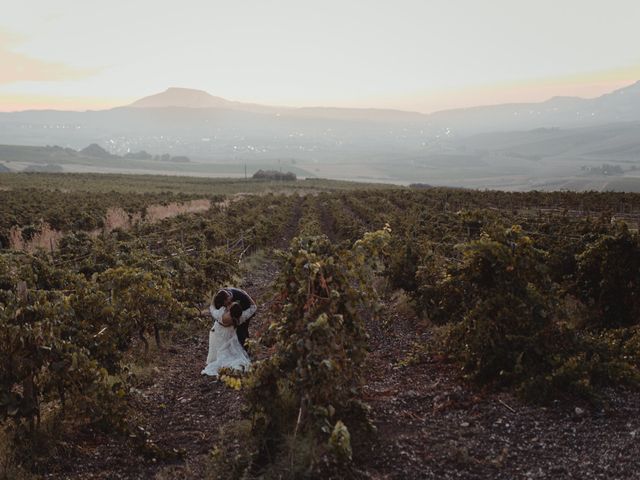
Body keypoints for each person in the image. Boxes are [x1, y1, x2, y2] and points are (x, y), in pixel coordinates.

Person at [201, 302, 251, 377]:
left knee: (218, 349)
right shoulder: (239, 318)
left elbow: (212, 310)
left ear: (231, 310)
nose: (229, 304)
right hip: (229, 339)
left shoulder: (223, 316)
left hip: (220, 336)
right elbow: (253, 308)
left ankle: (215, 360)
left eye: (231, 305)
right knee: (227, 351)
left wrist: (213, 301)